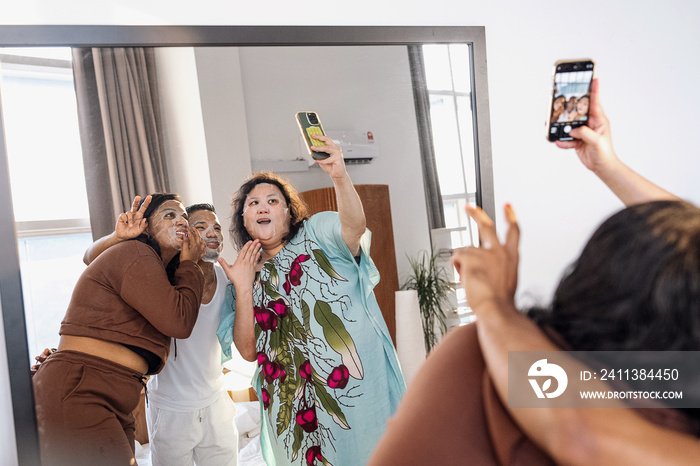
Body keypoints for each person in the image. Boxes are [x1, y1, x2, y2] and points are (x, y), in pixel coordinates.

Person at [369, 78, 700, 465]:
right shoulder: (674, 388)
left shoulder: (472, 351)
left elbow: (579, 434)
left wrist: (493, 304)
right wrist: (606, 166)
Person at [217, 134, 406, 466]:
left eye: (272, 200)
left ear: (289, 212)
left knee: (373, 453)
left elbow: (354, 226)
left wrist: (339, 176)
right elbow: (248, 350)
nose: (262, 206)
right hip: (292, 408)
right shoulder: (240, 276)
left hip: (354, 389)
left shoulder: (317, 233)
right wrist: (245, 289)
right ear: (244, 222)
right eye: (253, 203)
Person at [32, 193, 206, 466]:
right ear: (146, 227)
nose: (181, 221)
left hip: (112, 395)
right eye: (170, 215)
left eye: (185, 217)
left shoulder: (154, 273)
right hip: (84, 390)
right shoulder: (135, 252)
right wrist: (190, 264)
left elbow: (91, 258)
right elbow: (179, 323)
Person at [83, 202, 239, 466]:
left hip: (217, 403)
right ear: (184, 235)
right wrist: (117, 236)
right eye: (200, 227)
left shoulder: (230, 280)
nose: (212, 233)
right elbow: (90, 258)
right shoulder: (163, 281)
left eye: (217, 228)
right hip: (170, 409)